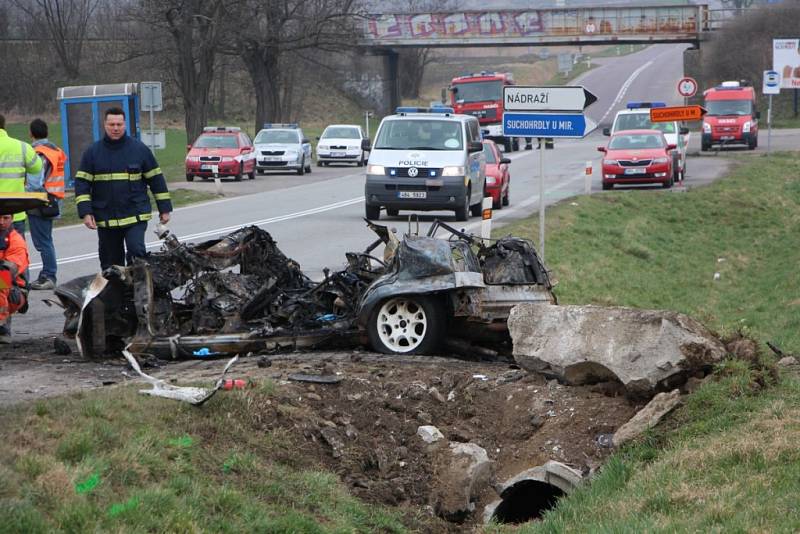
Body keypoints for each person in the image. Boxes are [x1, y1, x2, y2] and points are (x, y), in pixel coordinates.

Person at [75, 107, 172, 270]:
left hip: (135, 215)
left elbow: (156, 180)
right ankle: (118, 295)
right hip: (106, 218)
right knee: (111, 265)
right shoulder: (92, 153)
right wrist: (86, 212)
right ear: (105, 125)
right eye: (111, 124)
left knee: (137, 254)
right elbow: (82, 184)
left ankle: (140, 294)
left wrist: (165, 209)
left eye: (119, 124)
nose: (115, 128)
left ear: (125, 125)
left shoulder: (139, 150)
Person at [26, 118, 66, 290]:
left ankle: (49, 275)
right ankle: (47, 274)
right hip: (53, 200)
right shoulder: (55, 150)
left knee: (43, 242)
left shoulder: (39, 153)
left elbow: (36, 182)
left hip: (41, 201)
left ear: (31, 134)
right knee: (46, 240)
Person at [0, 113, 42, 238]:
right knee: (16, 253)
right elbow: (37, 168)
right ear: (4, 126)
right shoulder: (22, 147)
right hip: (15, 212)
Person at [0, 213, 30, 343]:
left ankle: (2, 326)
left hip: (13, 289)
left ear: (12, 219)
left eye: (5, 218)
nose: (1, 222)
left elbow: (9, 269)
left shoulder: (16, 240)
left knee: (1, 281)